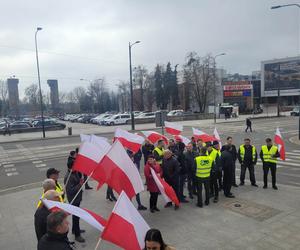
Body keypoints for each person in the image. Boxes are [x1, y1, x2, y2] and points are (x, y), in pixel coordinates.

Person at [64, 164, 85, 243]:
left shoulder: (74, 172)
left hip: (77, 198)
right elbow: (70, 191)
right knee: (76, 217)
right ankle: (77, 235)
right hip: (74, 199)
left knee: (76, 217)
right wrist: (80, 184)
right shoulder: (68, 177)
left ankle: (75, 229)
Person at [175, 138, 189, 203]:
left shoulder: (178, 153)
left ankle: (181, 195)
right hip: (181, 172)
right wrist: (185, 171)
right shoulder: (181, 154)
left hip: (180, 172)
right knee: (180, 186)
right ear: (183, 147)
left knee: (181, 185)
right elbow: (183, 164)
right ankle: (180, 198)